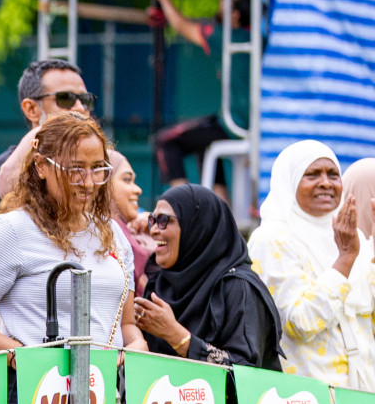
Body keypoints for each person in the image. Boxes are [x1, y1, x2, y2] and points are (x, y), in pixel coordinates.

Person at [0, 112, 145, 355]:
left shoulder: (113, 233)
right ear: (41, 166)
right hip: (35, 390)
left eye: (97, 169)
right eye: (75, 169)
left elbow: (125, 324)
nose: (88, 182)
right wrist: (25, 358)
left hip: (106, 388)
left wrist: (137, 343)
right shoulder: (12, 230)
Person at [248, 140, 375, 390]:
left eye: (333, 174)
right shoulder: (272, 240)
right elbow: (300, 323)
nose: (326, 182)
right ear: (290, 181)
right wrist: (345, 259)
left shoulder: (352, 236)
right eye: (312, 174)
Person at [0, 59, 91, 281]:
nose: (80, 109)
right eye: (66, 99)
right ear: (31, 109)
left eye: (85, 100)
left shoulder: (92, 170)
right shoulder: (1, 171)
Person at [133, 185, 281, 368]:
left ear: (198, 226)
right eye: (152, 220)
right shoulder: (159, 285)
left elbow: (245, 371)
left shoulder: (237, 288)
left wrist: (177, 336)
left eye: (164, 220)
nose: (154, 229)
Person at [148, 0, 251, 191]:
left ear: (235, 15)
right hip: (246, 125)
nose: (221, 1)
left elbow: (180, 25)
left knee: (166, 142)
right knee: (206, 144)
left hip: (235, 125)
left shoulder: (224, 36)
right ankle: (223, 214)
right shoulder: (253, 37)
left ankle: (181, 208)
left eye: (227, 0)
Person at [109, 151, 155, 294]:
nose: (138, 190)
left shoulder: (139, 236)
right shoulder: (100, 239)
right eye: (127, 180)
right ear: (103, 183)